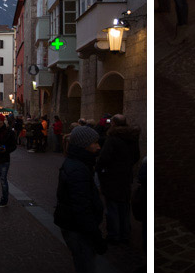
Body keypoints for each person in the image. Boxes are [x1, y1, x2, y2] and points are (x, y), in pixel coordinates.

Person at [55, 125, 107, 272]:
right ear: (84, 145)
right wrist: (96, 238)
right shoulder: (78, 169)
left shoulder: (78, 163)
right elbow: (81, 207)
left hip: (73, 224)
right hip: (77, 228)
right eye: (94, 143)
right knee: (85, 265)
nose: (98, 147)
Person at [97, 114, 141, 245]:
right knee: (124, 206)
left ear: (114, 124)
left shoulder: (112, 138)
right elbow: (136, 156)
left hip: (112, 176)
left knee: (112, 207)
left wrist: (100, 169)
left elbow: (104, 158)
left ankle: (114, 235)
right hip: (125, 176)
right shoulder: (132, 137)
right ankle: (125, 234)